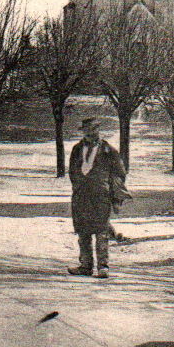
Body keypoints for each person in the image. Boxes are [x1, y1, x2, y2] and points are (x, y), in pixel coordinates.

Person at [67, 118, 127, 279]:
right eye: (86, 130)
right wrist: (78, 185)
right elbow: (72, 171)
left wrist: (115, 195)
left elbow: (119, 174)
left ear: (98, 130)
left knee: (102, 232)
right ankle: (85, 266)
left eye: (93, 129)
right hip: (81, 196)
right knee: (83, 232)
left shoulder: (109, 150)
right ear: (83, 131)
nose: (90, 133)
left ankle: (103, 267)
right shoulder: (77, 149)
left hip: (101, 196)